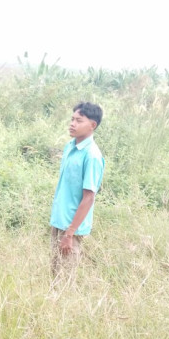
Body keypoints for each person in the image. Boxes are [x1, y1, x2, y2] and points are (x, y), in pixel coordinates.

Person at [49, 101, 105, 283]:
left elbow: (89, 197)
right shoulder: (70, 147)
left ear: (92, 125)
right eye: (72, 119)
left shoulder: (92, 155)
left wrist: (70, 233)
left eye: (78, 120)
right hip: (59, 221)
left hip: (71, 228)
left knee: (64, 280)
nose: (72, 124)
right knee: (54, 275)